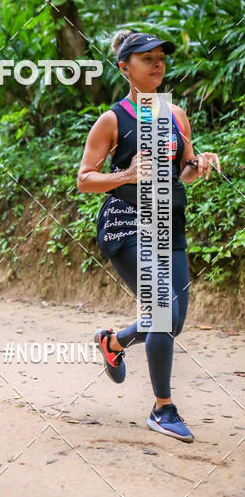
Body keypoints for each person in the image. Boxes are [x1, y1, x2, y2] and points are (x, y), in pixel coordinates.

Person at [77, 29, 221, 442]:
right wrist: (125, 174)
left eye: (161, 57)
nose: (157, 63)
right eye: (147, 58)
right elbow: (85, 179)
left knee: (173, 320)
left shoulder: (174, 115)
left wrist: (200, 162)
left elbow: (184, 172)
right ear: (125, 67)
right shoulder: (113, 119)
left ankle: (114, 342)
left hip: (168, 224)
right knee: (161, 311)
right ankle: (163, 408)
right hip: (126, 223)